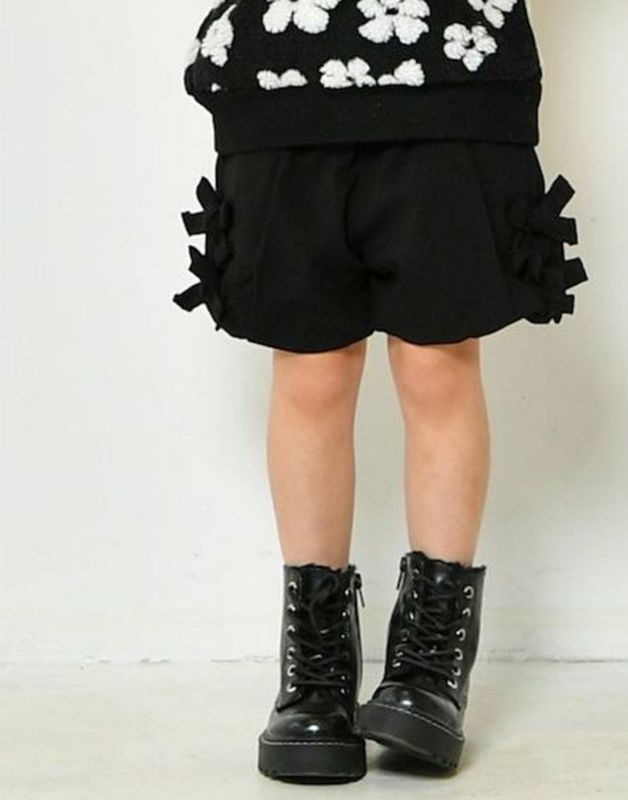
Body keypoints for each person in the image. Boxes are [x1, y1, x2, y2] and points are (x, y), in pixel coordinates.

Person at [174, 0, 587, 783]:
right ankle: (315, 672)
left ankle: (430, 667)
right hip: (280, 67)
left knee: (438, 357)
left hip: (453, 64)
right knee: (312, 365)